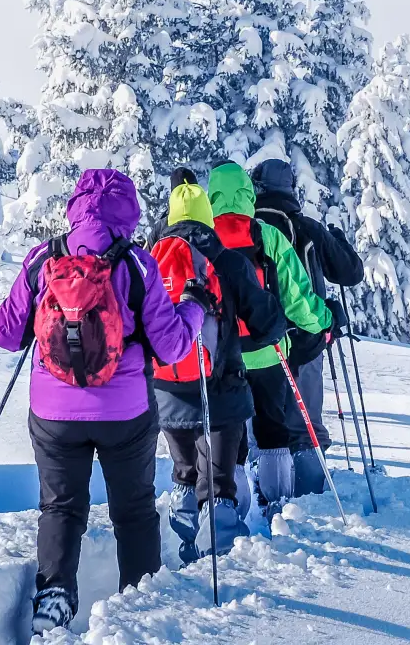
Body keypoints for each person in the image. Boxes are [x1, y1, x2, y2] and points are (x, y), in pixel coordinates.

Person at [0, 169, 207, 635]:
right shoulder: (138, 264)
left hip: (53, 413)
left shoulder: (43, 257)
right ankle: (140, 600)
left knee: (61, 507)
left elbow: (4, 334)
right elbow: (171, 347)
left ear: (75, 206)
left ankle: (53, 596)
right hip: (125, 412)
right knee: (134, 509)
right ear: (128, 212)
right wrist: (194, 305)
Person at [151, 175, 286, 562]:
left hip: (166, 391)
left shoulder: (149, 257)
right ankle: (225, 558)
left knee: (184, 473)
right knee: (220, 481)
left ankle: (183, 547)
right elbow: (267, 321)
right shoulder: (226, 259)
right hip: (221, 389)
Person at [207, 161, 334, 513]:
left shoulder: (202, 238)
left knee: (230, 436)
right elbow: (298, 300)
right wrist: (323, 321)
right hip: (269, 351)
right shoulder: (267, 235)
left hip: (221, 356)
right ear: (249, 194)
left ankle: (233, 506)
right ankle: (278, 505)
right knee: (273, 430)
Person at [251, 158, 364, 495]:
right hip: (307, 339)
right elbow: (351, 273)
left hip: (258, 341)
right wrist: (339, 241)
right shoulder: (307, 227)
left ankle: (266, 490)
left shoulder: (248, 230)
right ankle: (310, 493)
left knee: (264, 422)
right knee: (305, 425)